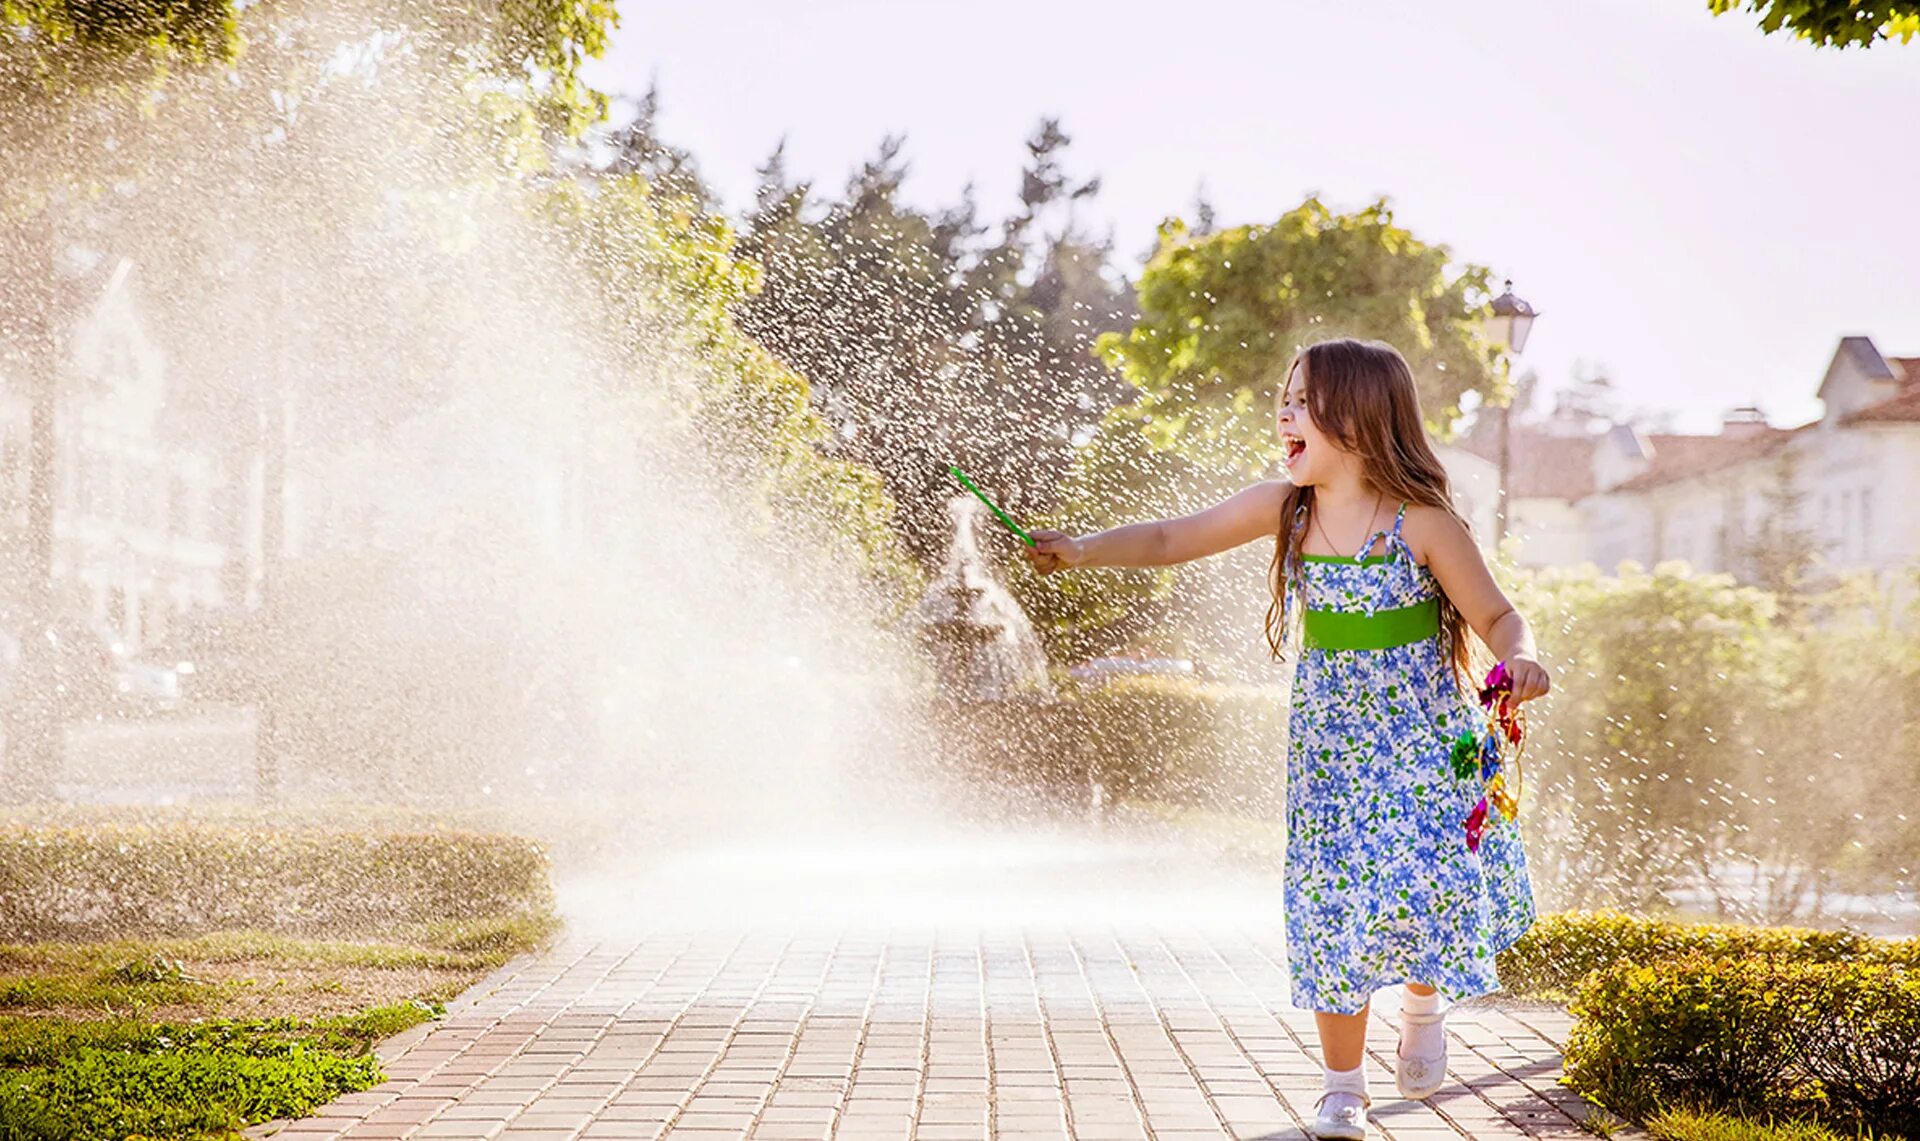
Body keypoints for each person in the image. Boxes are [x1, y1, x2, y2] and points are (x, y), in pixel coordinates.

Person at [1024, 337, 1546, 1140]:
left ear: (1362, 420)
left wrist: (1522, 658)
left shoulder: (1424, 523)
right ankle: (1343, 1088)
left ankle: (1423, 999)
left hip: (1423, 740)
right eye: (1286, 396)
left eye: (1303, 401)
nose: (1284, 411)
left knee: (1418, 888)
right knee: (1332, 902)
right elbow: (1169, 540)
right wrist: (1084, 548)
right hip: (1331, 753)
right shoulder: (1286, 508)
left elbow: (1500, 615)